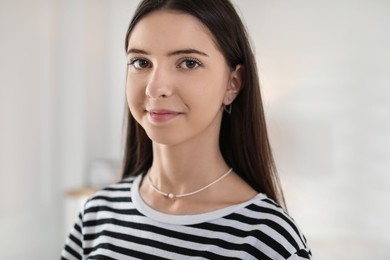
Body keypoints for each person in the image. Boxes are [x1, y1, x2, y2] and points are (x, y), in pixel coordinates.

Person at [62, 0, 312, 259]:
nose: (155, 88)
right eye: (140, 62)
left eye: (188, 63)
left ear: (233, 83)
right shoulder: (97, 214)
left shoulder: (268, 240)